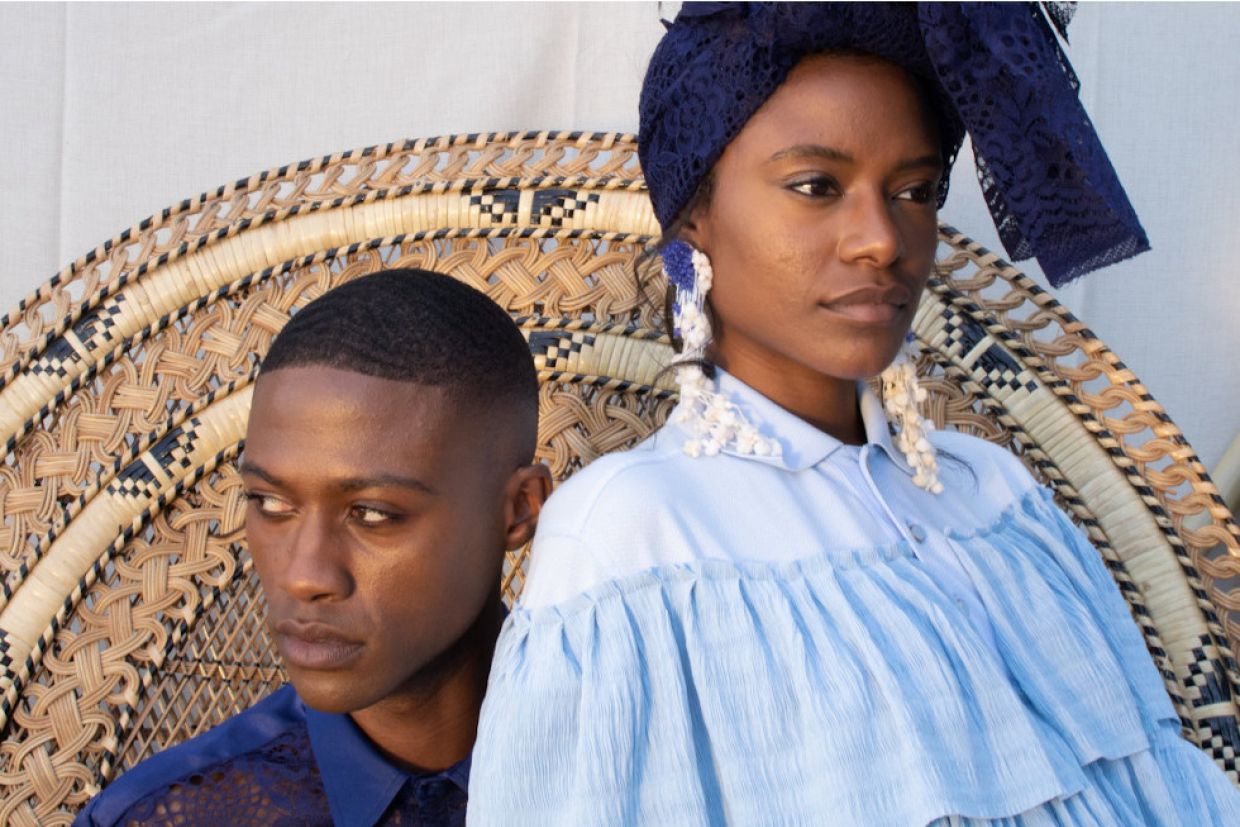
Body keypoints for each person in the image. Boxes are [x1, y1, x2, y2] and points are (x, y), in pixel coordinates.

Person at [469, 4, 1240, 825]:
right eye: (816, 186)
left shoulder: (994, 493)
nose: (881, 239)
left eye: (915, 191)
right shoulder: (631, 537)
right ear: (695, 215)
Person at [76, 269, 551, 826]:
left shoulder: (632, 775)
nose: (304, 576)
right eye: (271, 503)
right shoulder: (162, 816)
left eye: (372, 514)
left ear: (519, 510)